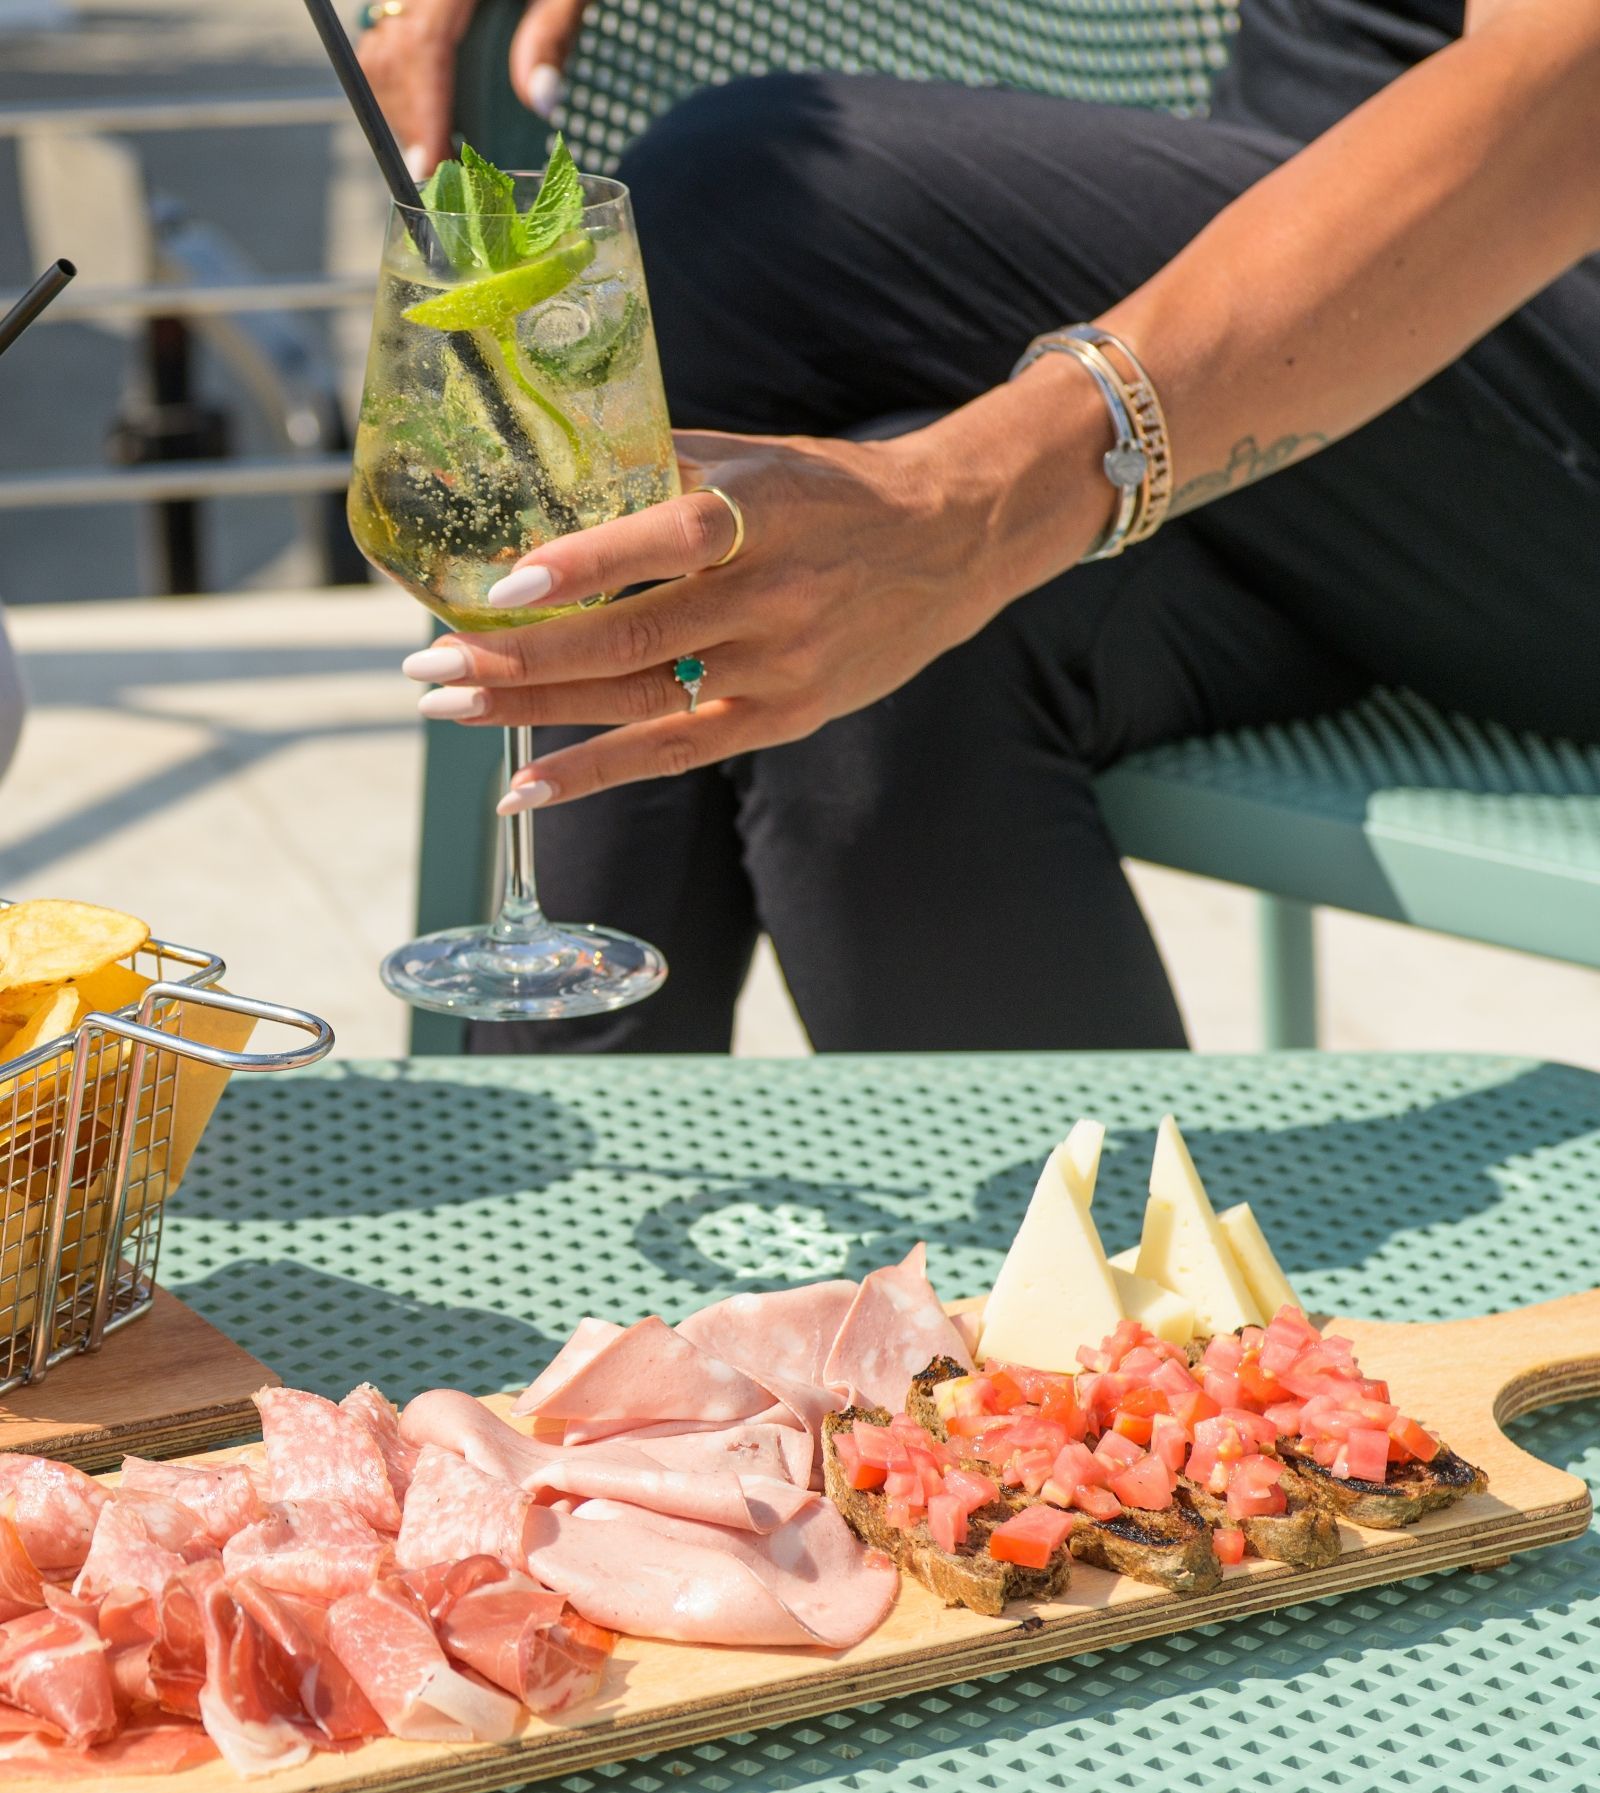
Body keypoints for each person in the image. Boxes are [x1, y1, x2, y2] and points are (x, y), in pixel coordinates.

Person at [368, 0, 1600, 1053]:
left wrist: (975, 502)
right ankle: (1104, 1319)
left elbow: (1569, 97)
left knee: (749, 195)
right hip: (1318, 447)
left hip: (1541, 392)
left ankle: (542, 1114)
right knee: (865, 664)